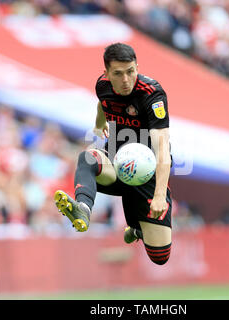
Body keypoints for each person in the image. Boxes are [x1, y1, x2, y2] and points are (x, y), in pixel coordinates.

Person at [54, 43, 173, 265]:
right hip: (116, 162)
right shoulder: (103, 86)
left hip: (148, 172)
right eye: (118, 74)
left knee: (160, 257)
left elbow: (163, 148)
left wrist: (158, 196)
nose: (126, 79)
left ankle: (137, 228)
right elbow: (103, 105)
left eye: (131, 71)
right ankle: (82, 208)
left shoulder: (152, 94)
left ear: (137, 67)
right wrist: (98, 125)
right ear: (106, 73)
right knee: (87, 157)